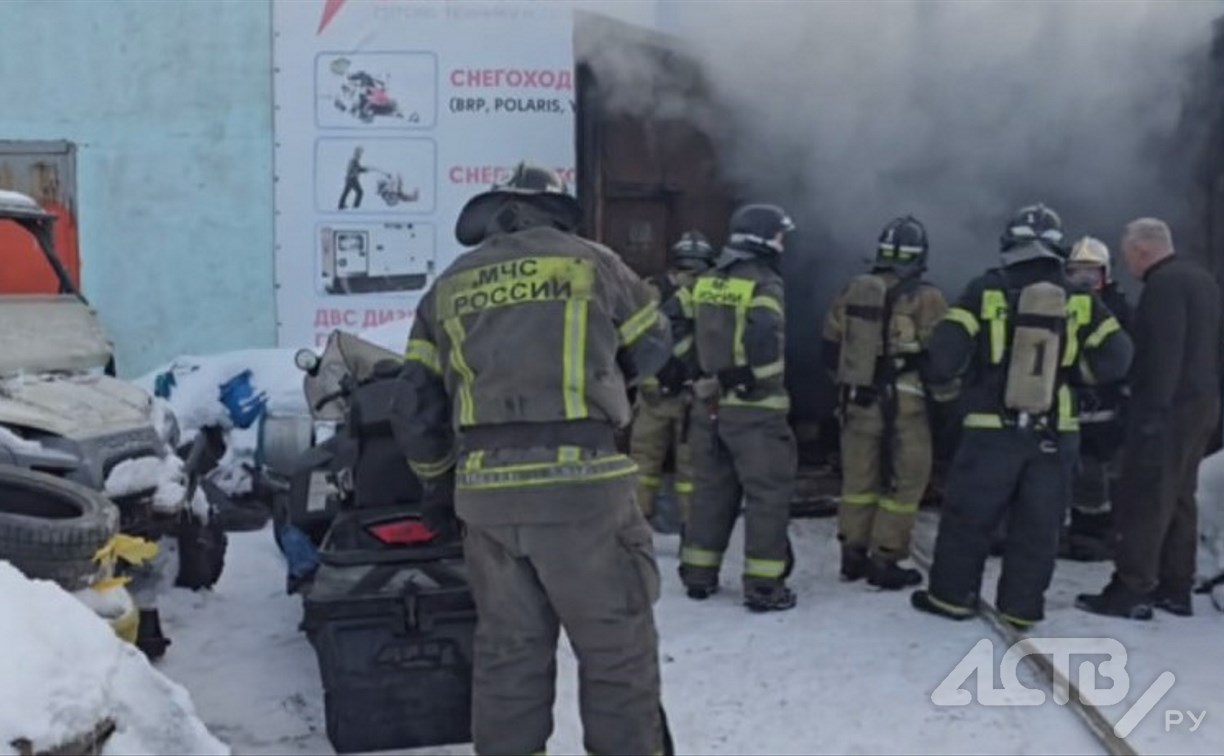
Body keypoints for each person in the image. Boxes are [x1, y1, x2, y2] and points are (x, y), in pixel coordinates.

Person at [391, 162, 674, 754]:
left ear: (497, 214)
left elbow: (413, 404)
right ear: (555, 212)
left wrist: (439, 488)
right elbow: (654, 344)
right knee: (616, 655)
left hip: (487, 497)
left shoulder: (448, 285)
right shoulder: (592, 262)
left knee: (508, 660)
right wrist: (610, 376)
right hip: (584, 489)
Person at [911, 203, 1132, 629]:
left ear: (1009, 243)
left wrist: (957, 395)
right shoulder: (1081, 298)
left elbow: (942, 358)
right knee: (1040, 526)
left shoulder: (983, 290)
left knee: (969, 518)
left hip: (990, 430)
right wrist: (1073, 377)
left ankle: (951, 598)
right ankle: (1021, 608)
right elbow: (1119, 355)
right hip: (1057, 432)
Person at [1077, 218, 1222, 619]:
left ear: (1142, 250)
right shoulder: (1202, 280)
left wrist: (1147, 412)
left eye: (1128, 257)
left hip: (1166, 410)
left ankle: (1132, 588)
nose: (1130, 266)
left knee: (1145, 497)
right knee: (1179, 498)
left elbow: (1161, 355)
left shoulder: (1163, 287)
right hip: (1202, 407)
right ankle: (1176, 587)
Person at [678, 203, 800, 612]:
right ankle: (764, 586)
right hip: (756, 410)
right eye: (780, 236)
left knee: (711, 491)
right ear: (765, 239)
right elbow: (766, 338)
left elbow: (672, 326)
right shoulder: (764, 283)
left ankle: (698, 575)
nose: (784, 244)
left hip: (708, 407)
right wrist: (747, 376)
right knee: (767, 495)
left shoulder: (707, 280)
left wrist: (694, 373)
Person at [822, 216, 950, 589]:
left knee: (858, 480)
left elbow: (828, 347)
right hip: (907, 405)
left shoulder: (852, 290)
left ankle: (852, 554)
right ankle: (886, 558)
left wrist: (849, 385)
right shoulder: (927, 297)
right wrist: (945, 407)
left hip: (857, 400)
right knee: (906, 484)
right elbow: (939, 355)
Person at [630, 230, 717, 535]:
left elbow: (632, 333)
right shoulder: (712, 289)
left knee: (642, 464)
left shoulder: (651, 288)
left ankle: (637, 527)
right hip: (693, 395)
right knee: (691, 471)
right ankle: (692, 532)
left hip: (652, 393)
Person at [1061, 236, 1133, 561]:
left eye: (1094, 274)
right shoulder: (1058, 303)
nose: (1087, 281)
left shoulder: (1118, 310)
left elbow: (1127, 357)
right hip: (1063, 407)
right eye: (1078, 274)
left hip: (1103, 410)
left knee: (1092, 476)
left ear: (1107, 275)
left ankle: (1091, 536)